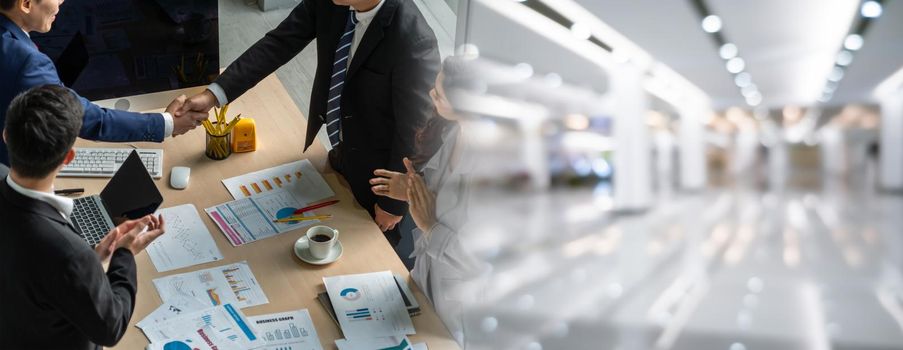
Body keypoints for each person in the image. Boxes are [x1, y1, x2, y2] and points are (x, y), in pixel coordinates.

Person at [180, 0, 440, 246]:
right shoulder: (333, 3)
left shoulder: (414, 41)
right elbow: (279, 43)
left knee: (368, 256)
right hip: (341, 151)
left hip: (380, 181)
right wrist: (214, 95)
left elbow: (416, 132)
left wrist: (393, 204)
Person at [0, 85, 166, 349]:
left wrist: (91, 265)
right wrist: (124, 254)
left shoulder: (70, 256)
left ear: (7, 136)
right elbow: (110, 329)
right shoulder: (69, 253)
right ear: (68, 157)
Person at [0, 0, 208, 166]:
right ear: (26, 4)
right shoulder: (28, 62)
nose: (62, 2)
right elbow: (86, 119)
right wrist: (168, 123)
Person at [369, 57, 481, 344]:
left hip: (459, 312)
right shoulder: (453, 131)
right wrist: (410, 189)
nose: (431, 94)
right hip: (424, 281)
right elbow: (441, 196)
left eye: (439, 94)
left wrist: (430, 226)